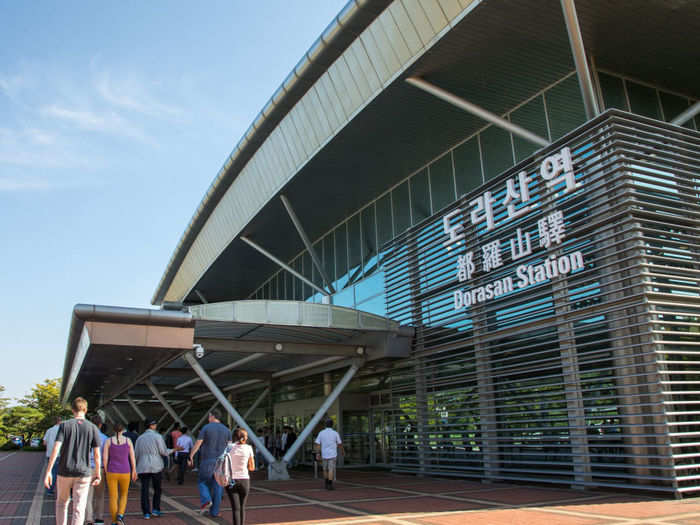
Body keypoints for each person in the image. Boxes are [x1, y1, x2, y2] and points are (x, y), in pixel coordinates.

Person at [44, 397, 102, 525]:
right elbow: (97, 454)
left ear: (72, 410)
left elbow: (56, 448)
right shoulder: (92, 428)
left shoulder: (64, 425)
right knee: (79, 508)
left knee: (61, 504)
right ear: (85, 410)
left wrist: (48, 471)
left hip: (64, 470)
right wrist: (98, 473)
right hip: (84, 472)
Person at [187, 409, 231, 517]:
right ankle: (215, 512)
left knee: (202, 482)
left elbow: (198, 444)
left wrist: (191, 456)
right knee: (217, 486)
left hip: (207, 460)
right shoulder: (227, 430)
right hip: (221, 462)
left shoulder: (206, 428)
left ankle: (206, 500)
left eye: (208, 416)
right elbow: (229, 448)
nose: (208, 418)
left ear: (212, 416)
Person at [134, 419, 176, 519]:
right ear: (151, 425)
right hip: (156, 465)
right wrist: (174, 450)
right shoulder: (158, 436)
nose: (156, 426)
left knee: (144, 489)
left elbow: (136, 454)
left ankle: (146, 513)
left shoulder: (140, 438)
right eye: (155, 424)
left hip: (143, 466)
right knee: (157, 489)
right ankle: (156, 510)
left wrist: (134, 467)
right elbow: (164, 451)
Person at [103, 422, 137, 525]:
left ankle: (114, 521)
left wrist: (105, 470)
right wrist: (134, 470)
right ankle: (120, 516)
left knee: (113, 496)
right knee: (124, 494)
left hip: (111, 471)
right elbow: (132, 457)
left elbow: (105, 458)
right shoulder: (128, 441)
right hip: (125, 471)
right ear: (123, 430)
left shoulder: (108, 441)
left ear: (113, 430)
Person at [225, 428, 255, 525]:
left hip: (231, 480)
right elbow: (252, 467)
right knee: (242, 507)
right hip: (244, 480)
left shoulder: (228, 448)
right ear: (244, 438)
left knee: (235, 509)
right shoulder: (249, 448)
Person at [86, 416, 108, 525]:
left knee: (88, 495)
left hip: (87, 468)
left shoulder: (85, 437)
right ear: (100, 425)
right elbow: (106, 456)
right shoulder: (105, 438)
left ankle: (89, 518)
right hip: (100, 468)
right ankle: (99, 517)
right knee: (100, 495)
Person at [314, 419, 344, 490]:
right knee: (331, 469)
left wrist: (318, 453)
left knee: (325, 469)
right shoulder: (335, 433)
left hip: (324, 454)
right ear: (332, 425)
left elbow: (318, 444)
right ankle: (330, 484)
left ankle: (326, 483)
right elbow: (340, 444)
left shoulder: (321, 433)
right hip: (333, 454)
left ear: (325, 425)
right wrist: (342, 451)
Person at [43, 417, 62, 496]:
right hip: (59, 454)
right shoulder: (62, 430)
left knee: (51, 472)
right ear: (60, 421)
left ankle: (49, 490)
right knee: (61, 474)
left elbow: (44, 442)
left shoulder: (49, 430)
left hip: (49, 454)